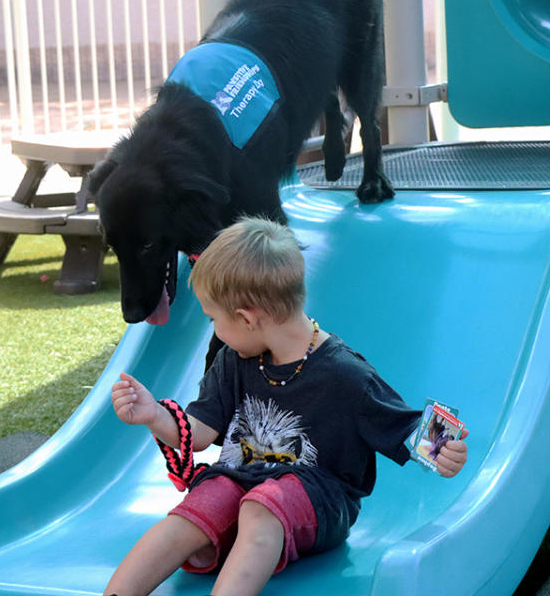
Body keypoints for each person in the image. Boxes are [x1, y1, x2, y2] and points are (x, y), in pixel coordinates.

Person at [105, 217, 469, 596]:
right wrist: (154, 415)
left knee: (259, 509)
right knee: (201, 505)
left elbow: (405, 426)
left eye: (214, 319)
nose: (214, 330)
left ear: (246, 318)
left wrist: (447, 451)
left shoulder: (345, 374)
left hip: (317, 499)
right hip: (242, 482)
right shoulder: (234, 360)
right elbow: (198, 434)